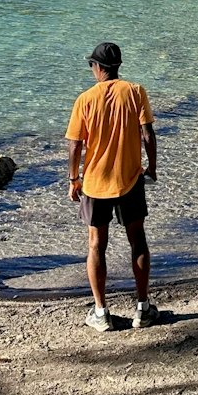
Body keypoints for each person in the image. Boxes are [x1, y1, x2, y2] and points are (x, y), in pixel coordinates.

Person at [65, 41, 158, 333]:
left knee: (96, 245)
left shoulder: (85, 99)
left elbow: (75, 145)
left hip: (95, 183)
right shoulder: (135, 92)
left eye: (91, 65)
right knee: (137, 241)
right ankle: (142, 309)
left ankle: (101, 312)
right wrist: (152, 167)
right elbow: (148, 134)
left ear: (98, 68)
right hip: (130, 178)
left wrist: (73, 179)